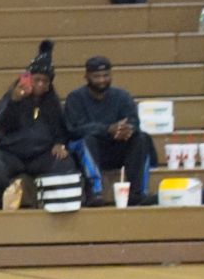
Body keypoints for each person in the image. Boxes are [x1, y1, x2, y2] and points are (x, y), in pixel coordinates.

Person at [0, 40, 73, 209]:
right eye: (37, 79)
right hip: (10, 153)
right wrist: (15, 101)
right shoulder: (13, 97)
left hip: (41, 155)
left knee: (65, 164)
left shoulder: (53, 104)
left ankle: (53, 207)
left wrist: (60, 143)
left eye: (45, 81)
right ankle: (7, 205)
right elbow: (3, 123)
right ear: (28, 79)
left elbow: (61, 129)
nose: (40, 84)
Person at [65, 55, 153, 204]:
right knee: (86, 140)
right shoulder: (75, 98)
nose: (101, 80)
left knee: (142, 138)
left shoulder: (122, 96)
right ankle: (95, 192)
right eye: (96, 76)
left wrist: (125, 129)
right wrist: (108, 130)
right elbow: (75, 129)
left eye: (105, 75)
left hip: (117, 148)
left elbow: (133, 121)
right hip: (91, 152)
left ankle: (138, 193)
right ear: (86, 77)